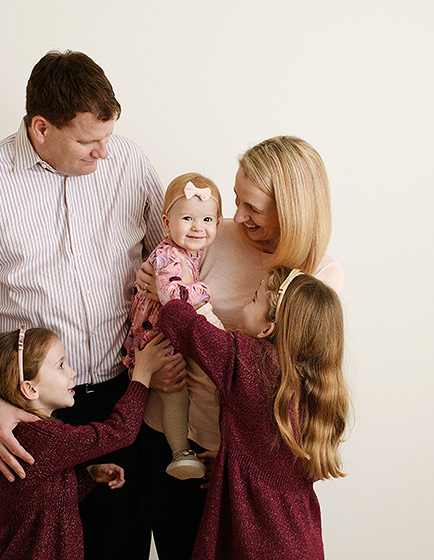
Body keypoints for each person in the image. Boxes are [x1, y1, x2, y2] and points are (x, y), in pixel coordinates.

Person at [0, 50, 177, 560]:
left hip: (122, 396)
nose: (104, 153)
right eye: (88, 141)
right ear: (40, 128)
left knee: (122, 544)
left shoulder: (129, 163)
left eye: (108, 136)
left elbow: (168, 264)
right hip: (29, 414)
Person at [136, 136, 344, 559]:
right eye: (235, 200)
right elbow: (159, 289)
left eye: (253, 207)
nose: (238, 216)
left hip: (246, 470)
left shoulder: (319, 280)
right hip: (177, 439)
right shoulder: (212, 234)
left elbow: (295, 388)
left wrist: (235, 461)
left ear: (290, 209)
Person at [159, 266, 349, 559]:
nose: (245, 302)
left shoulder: (245, 360)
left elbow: (175, 318)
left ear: (267, 329)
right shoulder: (324, 392)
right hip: (301, 543)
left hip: (249, 545)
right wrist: (229, 461)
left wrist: (179, 285)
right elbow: (271, 455)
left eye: (253, 299)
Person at [0, 327, 173, 560]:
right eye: (61, 366)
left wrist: (88, 475)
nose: (73, 373)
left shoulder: (29, 434)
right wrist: (142, 376)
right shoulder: (44, 438)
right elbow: (120, 431)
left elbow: (45, 501)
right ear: (30, 388)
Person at [122, 173, 223, 480]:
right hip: (154, 337)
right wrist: (204, 289)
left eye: (207, 219)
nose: (197, 227)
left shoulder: (193, 249)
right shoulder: (168, 256)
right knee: (175, 388)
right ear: (166, 223)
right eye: (187, 218)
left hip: (166, 330)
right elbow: (171, 296)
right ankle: (180, 451)